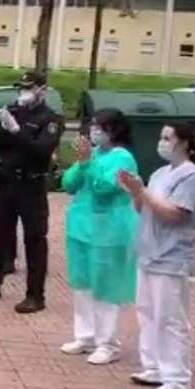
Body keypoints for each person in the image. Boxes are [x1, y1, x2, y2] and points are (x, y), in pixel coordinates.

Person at [118, 123, 195, 389]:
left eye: (168, 138)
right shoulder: (159, 174)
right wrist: (135, 191)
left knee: (171, 320)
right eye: (161, 137)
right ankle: (154, 367)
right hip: (149, 253)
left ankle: (177, 380)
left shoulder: (192, 177)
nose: (162, 143)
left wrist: (143, 192)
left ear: (184, 142)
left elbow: (174, 214)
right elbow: (142, 208)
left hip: (173, 257)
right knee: (148, 313)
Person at [0, 70, 64, 314]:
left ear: (42, 90)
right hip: (7, 182)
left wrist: (16, 133)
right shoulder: (12, 111)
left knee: (34, 239)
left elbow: (40, 150)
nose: (25, 92)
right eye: (22, 87)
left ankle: (35, 295)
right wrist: (5, 129)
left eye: (30, 88)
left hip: (31, 185)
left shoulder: (50, 120)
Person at [59, 108, 139, 365]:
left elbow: (105, 187)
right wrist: (82, 163)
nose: (94, 131)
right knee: (82, 283)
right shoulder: (91, 154)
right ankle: (86, 336)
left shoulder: (123, 158)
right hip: (80, 228)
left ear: (113, 130)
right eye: (92, 126)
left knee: (106, 286)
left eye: (100, 127)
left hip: (109, 230)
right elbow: (68, 183)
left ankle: (108, 343)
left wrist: (88, 164)